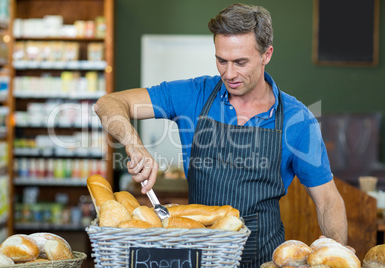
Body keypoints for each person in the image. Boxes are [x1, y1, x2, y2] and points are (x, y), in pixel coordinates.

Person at [95, 3, 349, 267]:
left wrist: (338, 253)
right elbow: (108, 104)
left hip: (262, 259)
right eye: (221, 60)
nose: (229, 74)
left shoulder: (298, 121)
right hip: (198, 258)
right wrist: (135, 146)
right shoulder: (194, 94)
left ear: (267, 54)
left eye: (240, 62)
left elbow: (328, 200)